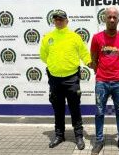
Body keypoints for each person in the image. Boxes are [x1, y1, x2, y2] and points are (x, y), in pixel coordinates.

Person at [40, 9, 91, 150]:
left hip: (72, 79)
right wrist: (55, 65)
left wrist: (89, 63)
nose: (58, 21)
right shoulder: (47, 38)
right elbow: (44, 56)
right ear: (53, 21)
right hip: (55, 80)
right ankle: (59, 135)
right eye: (56, 19)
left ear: (67, 21)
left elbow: (84, 53)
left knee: (75, 108)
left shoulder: (75, 37)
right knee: (58, 109)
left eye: (61, 19)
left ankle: (79, 136)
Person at [90, 6, 119, 155]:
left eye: (115, 17)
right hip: (101, 82)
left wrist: (116, 72)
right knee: (100, 112)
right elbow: (94, 59)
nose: (112, 19)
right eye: (109, 17)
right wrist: (100, 72)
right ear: (104, 18)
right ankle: (99, 140)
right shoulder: (96, 38)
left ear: (118, 19)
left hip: (118, 82)